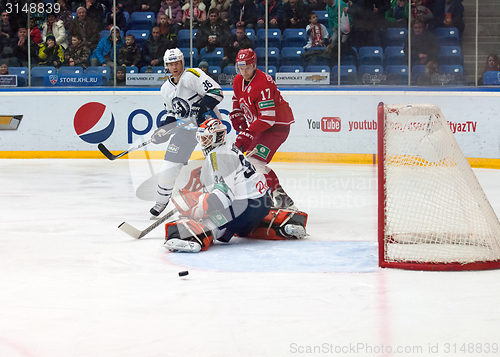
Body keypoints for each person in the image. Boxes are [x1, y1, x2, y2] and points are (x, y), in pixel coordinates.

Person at [164, 118, 307, 253]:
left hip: (244, 207)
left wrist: (197, 209)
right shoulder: (228, 147)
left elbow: (223, 197)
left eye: (206, 138)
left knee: (209, 220)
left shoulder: (217, 156)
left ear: (218, 137)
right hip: (263, 204)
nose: (203, 143)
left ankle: (192, 238)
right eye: (201, 139)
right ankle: (280, 224)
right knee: (243, 226)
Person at [148, 48, 224, 217]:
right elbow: (171, 113)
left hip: (209, 126)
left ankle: (223, 198)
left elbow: (217, 92)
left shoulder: (192, 75)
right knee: (169, 164)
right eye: (170, 64)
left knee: (216, 165)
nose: (174, 67)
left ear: (182, 62)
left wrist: (201, 106)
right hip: (186, 129)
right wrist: (164, 129)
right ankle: (161, 201)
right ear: (166, 66)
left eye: (177, 63)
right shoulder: (165, 88)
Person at [231, 48, 296, 209]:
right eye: (240, 68)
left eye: (247, 67)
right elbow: (237, 97)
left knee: (253, 162)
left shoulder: (263, 83)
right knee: (253, 163)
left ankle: (270, 199)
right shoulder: (238, 80)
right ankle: (281, 197)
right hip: (263, 127)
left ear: (254, 66)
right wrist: (236, 112)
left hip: (277, 127)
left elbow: (268, 118)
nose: (243, 71)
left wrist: (247, 133)